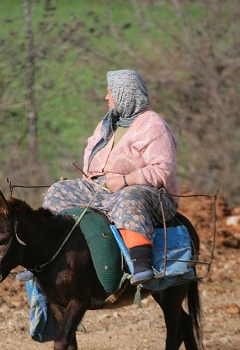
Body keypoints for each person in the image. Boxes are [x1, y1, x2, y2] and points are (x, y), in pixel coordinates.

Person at [42, 69, 180, 285]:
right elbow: (91, 155)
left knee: (129, 198)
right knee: (58, 192)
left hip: (150, 195)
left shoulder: (153, 125)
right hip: (103, 191)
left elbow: (164, 171)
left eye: (110, 92)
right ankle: (46, 259)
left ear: (125, 94)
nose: (106, 97)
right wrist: (90, 177)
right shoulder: (108, 123)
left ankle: (141, 263)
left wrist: (125, 181)